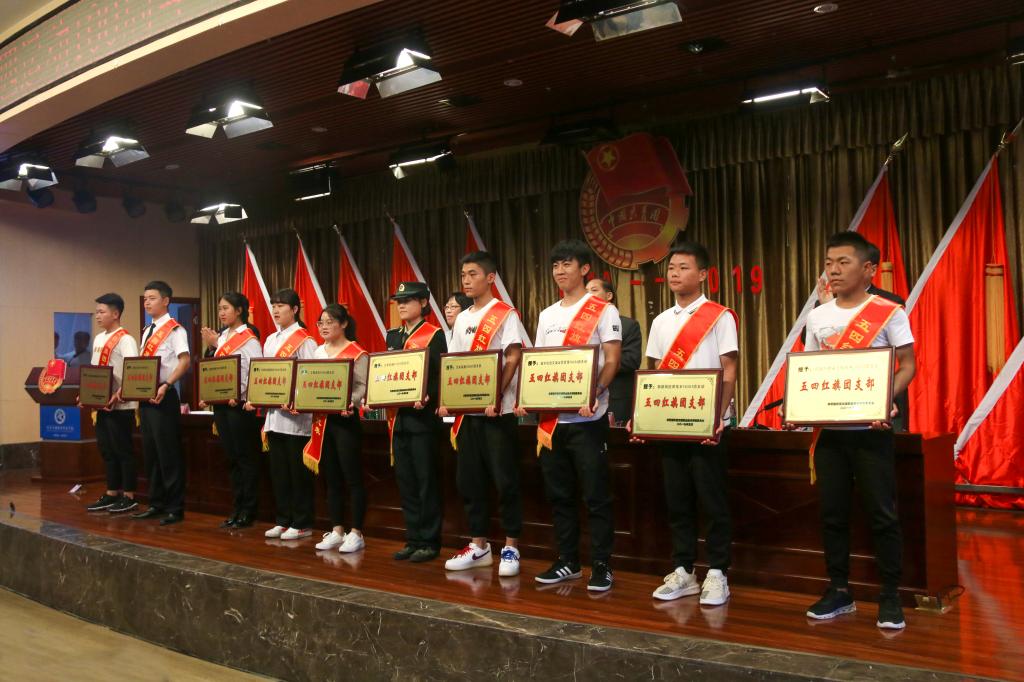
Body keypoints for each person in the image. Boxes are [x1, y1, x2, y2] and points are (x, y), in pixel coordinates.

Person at [788, 231, 916, 631]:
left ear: (868, 269)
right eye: (829, 263)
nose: (834, 270)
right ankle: (839, 590)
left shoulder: (889, 312)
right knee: (833, 513)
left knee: (882, 513)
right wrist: (798, 407)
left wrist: (885, 399)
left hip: (871, 430)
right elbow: (809, 369)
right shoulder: (817, 316)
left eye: (843, 262)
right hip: (830, 432)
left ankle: (890, 595)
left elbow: (909, 365)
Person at [517, 239, 621, 592]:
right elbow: (540, 364)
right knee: (559, 495)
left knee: (595, 495)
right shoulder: (547, 314)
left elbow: (612, 360)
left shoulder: (603, 310)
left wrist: (596, 392)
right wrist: (527, 398)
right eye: (555, 265)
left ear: (585, 269)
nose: (560, 271)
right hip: (552, 422)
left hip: (588, 420)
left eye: (567, 264)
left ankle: (602, 565)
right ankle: (568, 561)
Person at [638, 243, 738, 607]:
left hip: (708, 425)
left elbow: (729, 369)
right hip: (671, 424)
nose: (675, 273)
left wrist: (718, 417)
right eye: (672, 268)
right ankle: (683, 570)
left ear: (702, 274)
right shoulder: (661, 321)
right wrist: (645, 417)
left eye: (683, 267)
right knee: (677, 500)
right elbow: (653, 372)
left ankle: (718, 572)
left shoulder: (719, 316)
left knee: (712, 501)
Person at [439, 251, 526, 577]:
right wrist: (448, 399)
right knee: (470, 480)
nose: (466, 280)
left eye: (473, 274)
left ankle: (511, 547)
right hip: (468, 415)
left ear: (490, 278)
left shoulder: (504, 314)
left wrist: (497, 394)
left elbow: (513, 356)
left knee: (505, 480)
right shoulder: (462, 318)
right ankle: (479, 545)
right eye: (463, 275)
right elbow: (455, 363)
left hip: (497, 413)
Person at [246, 289, 317, 541]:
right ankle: (283, 520)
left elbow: (311, 376)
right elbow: (265, 375)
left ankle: (302, 522)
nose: (276, 310)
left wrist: (296, 399)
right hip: (274, 417)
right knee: (279, 473)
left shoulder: (305, 340)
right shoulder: (270, 340)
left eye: (281, 306)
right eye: (273, 305)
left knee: (297, 473)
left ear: (295, 309)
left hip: (296, 419)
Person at [386, 282, 447, 563]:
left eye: (407, 300)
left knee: (426, 482)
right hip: (399, 420)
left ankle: (430, 541)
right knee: (406, 482)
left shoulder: (434, 335)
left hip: (423, 421)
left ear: (423, 303)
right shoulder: (393, 336)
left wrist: (428, 395)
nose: (401, 305)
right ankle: (413, 538)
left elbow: (439, 375)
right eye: (398, 301)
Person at [309, 304, 369, 555]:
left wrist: (349, 402)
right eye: (320, 322)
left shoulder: (357, 353)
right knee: (331, 477)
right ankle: (336, 529)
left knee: (352, 476)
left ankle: (356, 532)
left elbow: (362, 387)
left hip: (346, 421)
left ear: (343, 324)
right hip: (323, 422)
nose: (324, 327)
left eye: (330, 322)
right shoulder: (317, 352)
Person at [130, 281, 191, 526]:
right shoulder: (147, 330)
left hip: (165, 395)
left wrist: (167, 384)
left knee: (168, 454)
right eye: (145, 298)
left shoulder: (175, 330)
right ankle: (156, 503)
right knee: (151, 453)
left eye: (152, 298)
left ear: (165, 301)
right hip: (146, 397)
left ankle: (175, 508)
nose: (147, 302)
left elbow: (184, 361)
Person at [199, 292, 263, 529]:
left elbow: (255, 372)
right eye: (219, 308)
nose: (221, 313)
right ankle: (236, 507)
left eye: (226, 308)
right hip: (221, 406)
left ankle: (249, 509)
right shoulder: (222, 336)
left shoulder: (249, 338)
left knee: (246, 459)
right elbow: (214, 370)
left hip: (240, 407)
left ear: (239, 311)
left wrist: (240, 393)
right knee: (232, 458)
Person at [84, 293, 140, 514]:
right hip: (102, 406)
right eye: (97, 312)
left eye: (102, 312)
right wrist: (85, 394)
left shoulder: (126, 339)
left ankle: (129, 496)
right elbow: (94, 373)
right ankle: (111, 493)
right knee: (107, 450)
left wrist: (119, 393)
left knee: (123, 450)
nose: (97, 316)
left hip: (121, 405)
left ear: (115, 314)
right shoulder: (99, 339)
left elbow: (133, 371)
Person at [585, 278, 642, 425]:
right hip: (584, 395)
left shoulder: (628, 325)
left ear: (609, 295)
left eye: (594, 290)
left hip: (616, 396)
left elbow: (631, 360)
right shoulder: (580, 327)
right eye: (586, 292)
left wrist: (601, 363)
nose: (588, 295)